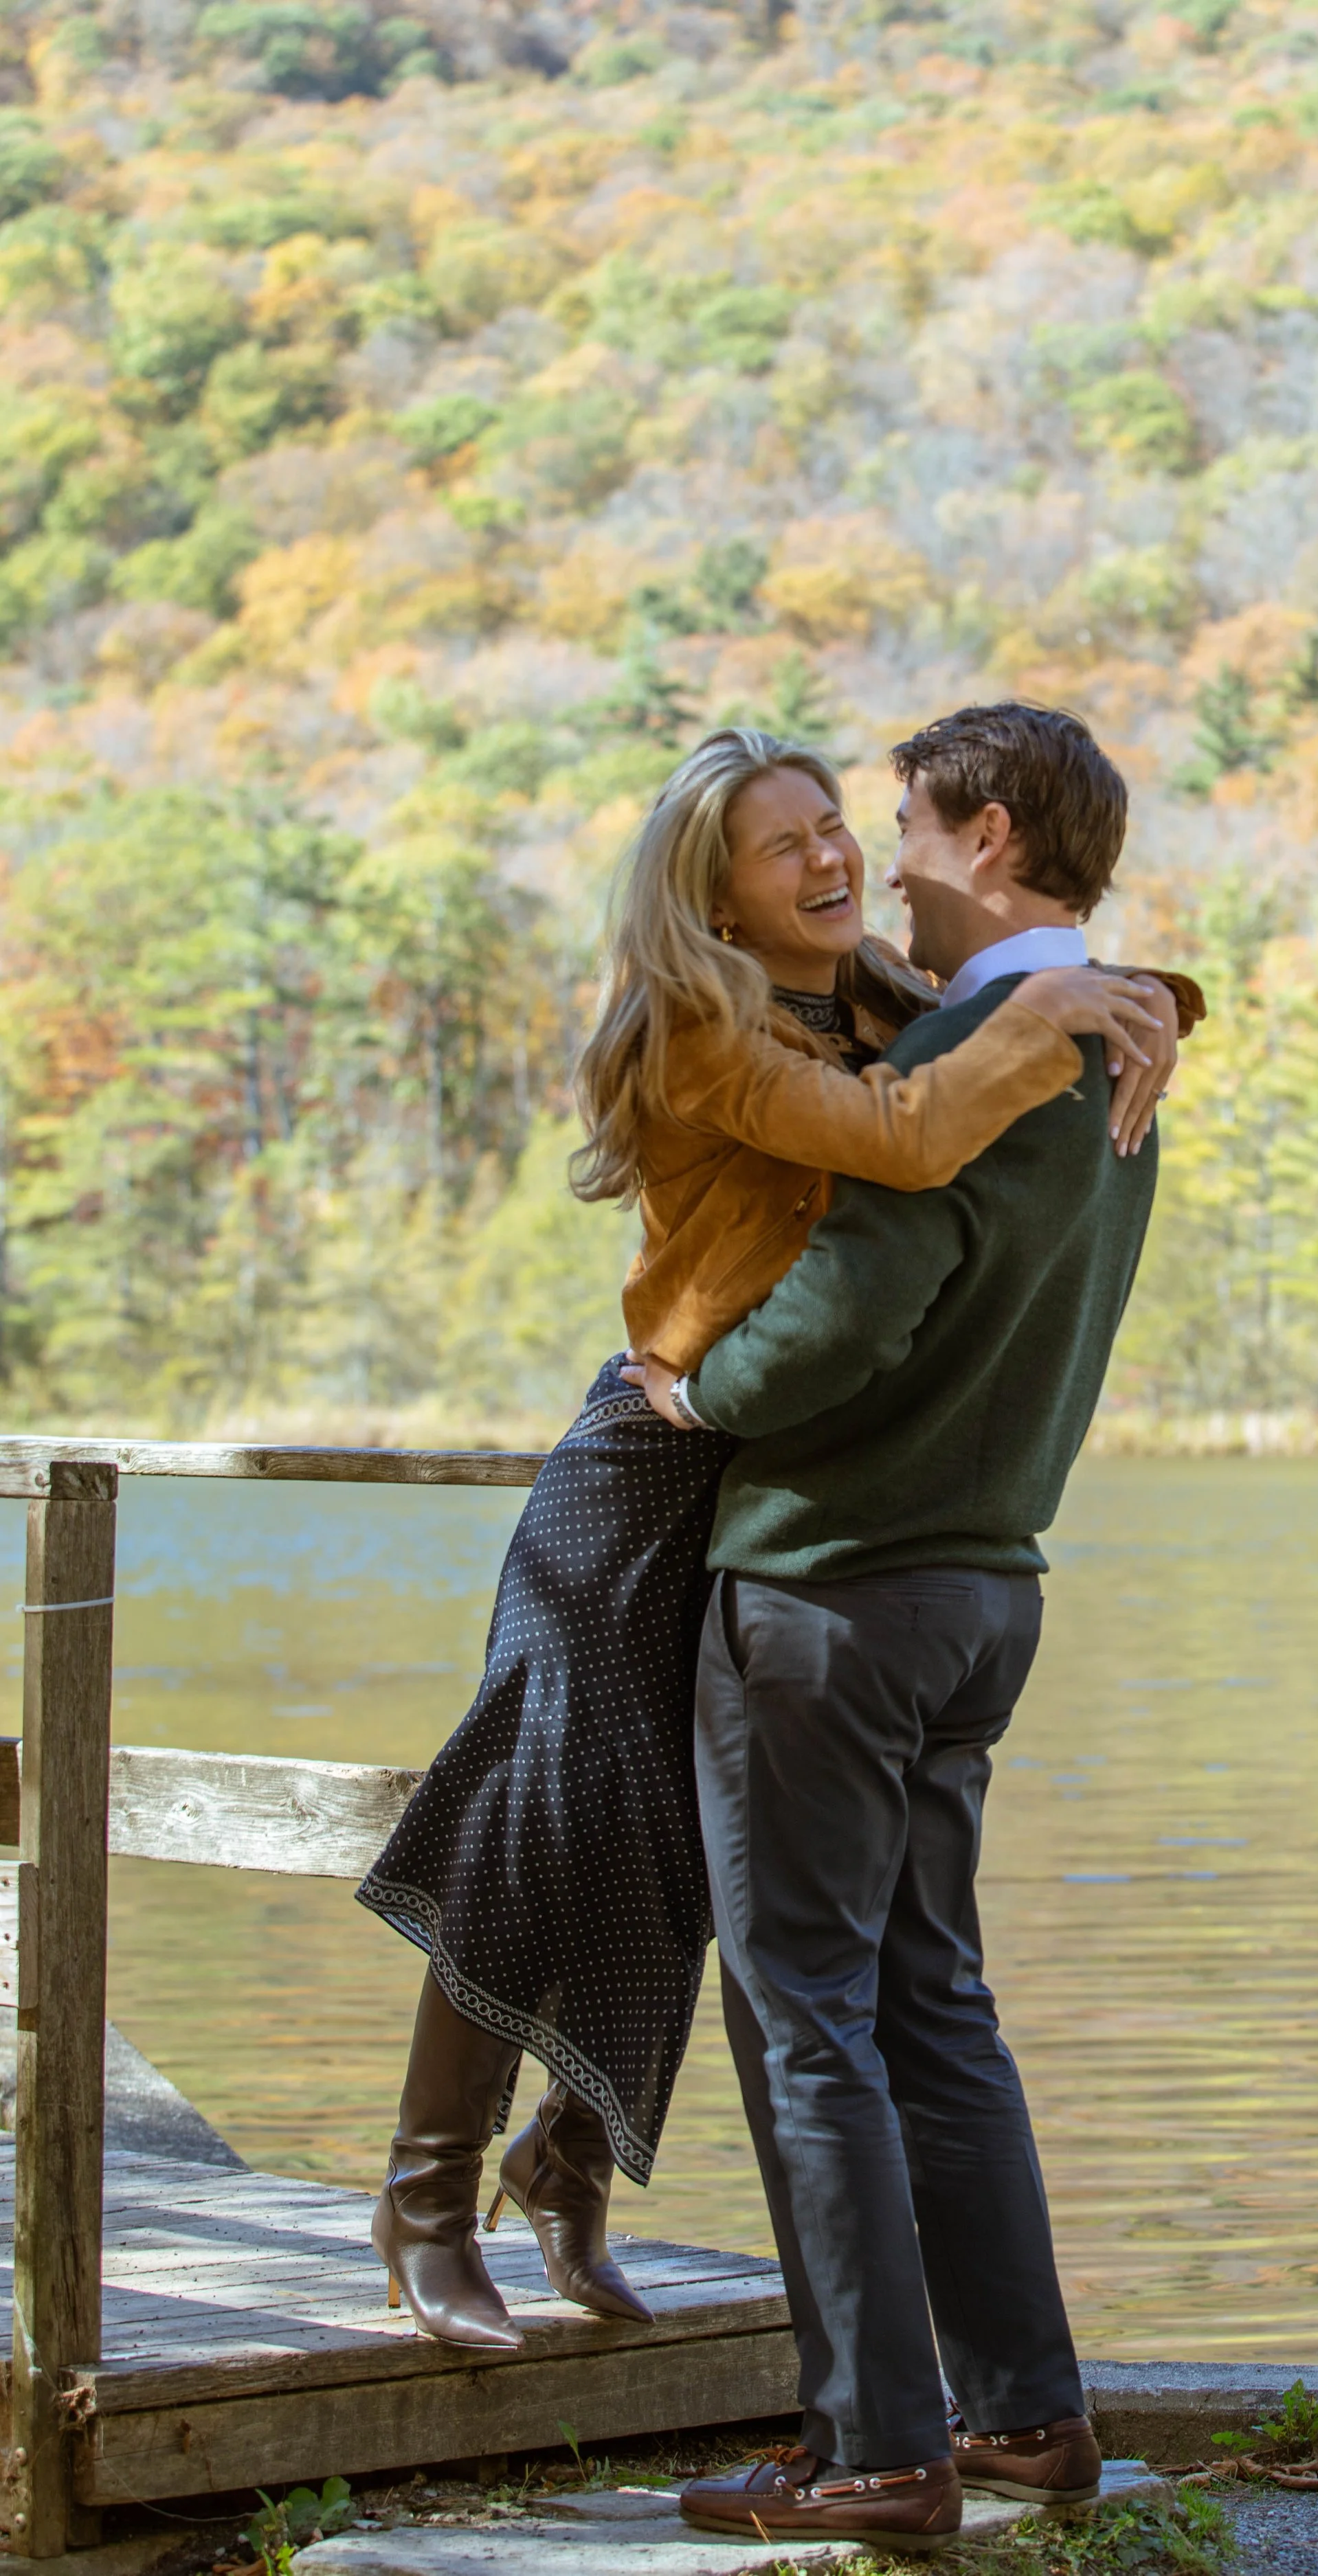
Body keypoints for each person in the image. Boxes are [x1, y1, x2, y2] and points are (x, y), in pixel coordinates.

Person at [356, 724, 1201, 2349]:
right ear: (714, 895)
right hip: (651, 1454)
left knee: (691, 1848)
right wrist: (1056, 1015)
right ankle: (421, 2199)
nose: (834, 860)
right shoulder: (698, 1028)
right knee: (541, 1819)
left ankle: (572, 2160)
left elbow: (993, 1018)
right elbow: (904, 1134)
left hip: (766, 1464)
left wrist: (1148, 999)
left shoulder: (876, 993)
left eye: (838, 828)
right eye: (786, 846)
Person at [632, 703, 1173, 2554]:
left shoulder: (973, 1056)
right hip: (983, 1584)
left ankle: (875, 2442)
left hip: (829, 1589)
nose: (888, 858)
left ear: (991, 836)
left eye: (907, 824)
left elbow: (838, 1322)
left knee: (808, 2015)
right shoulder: (1110, 1043)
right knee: (932, 2005)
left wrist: (695, 1387)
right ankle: (1026, 2411)